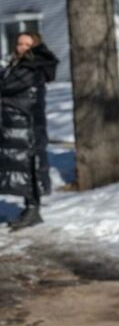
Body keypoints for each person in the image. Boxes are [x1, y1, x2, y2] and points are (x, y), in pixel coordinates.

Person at [0, 32, 58, 230]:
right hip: (17, 124)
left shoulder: (33, 67)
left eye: (27, 44)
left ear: (35, 46)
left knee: (30, 168)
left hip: (27, 125)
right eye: (19, 43)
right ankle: (30, 209)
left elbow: (8, 86)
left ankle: (33, 210)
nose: (22, 47)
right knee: (24, 168)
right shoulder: (18, 65)